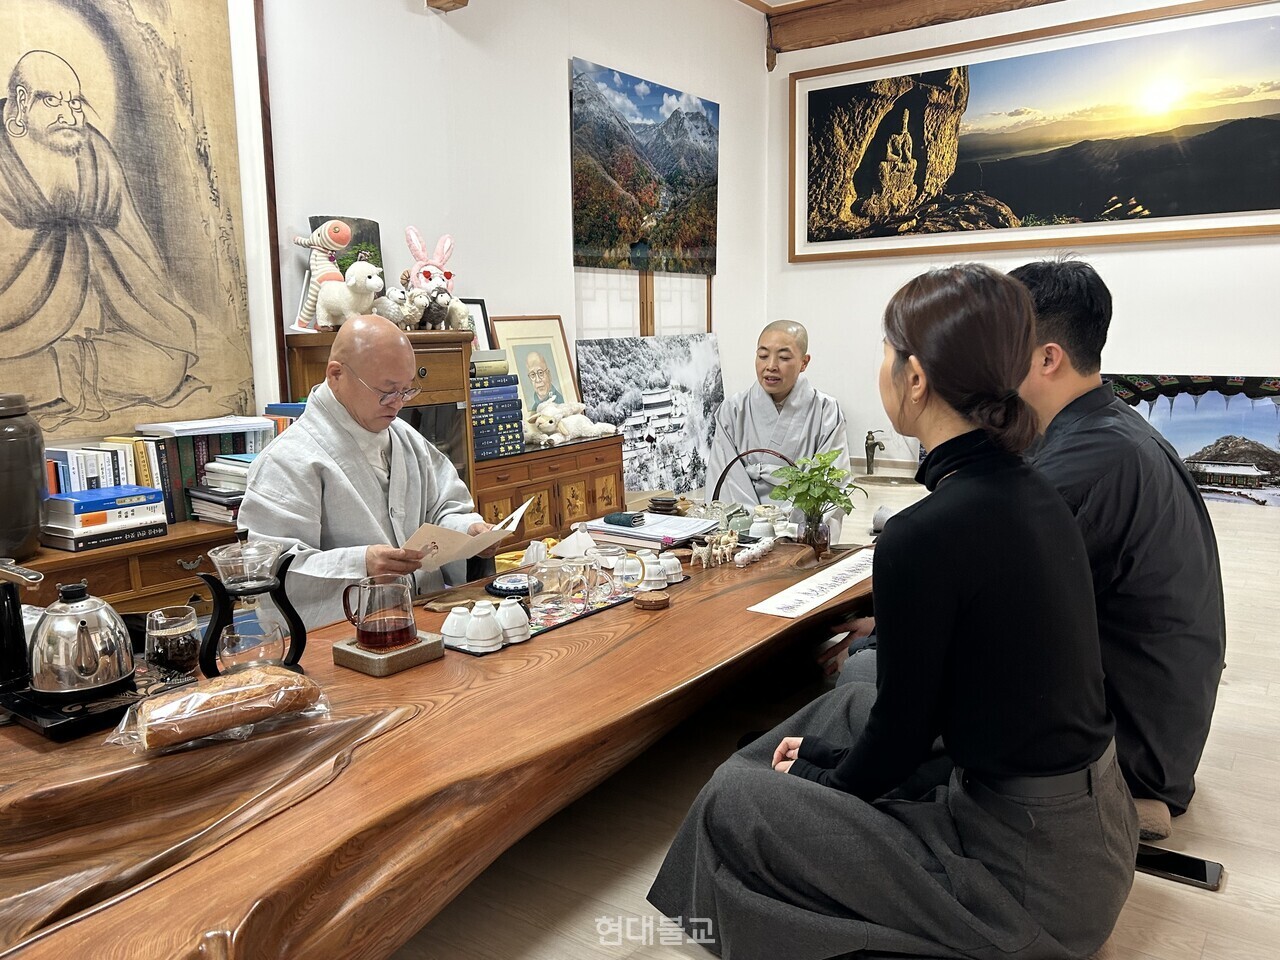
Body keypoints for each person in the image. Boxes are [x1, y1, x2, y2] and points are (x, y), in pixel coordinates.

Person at [650, 264, 1136, 960]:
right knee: (849, 700)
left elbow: (906, 735)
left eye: (885, 349)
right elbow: (938, 707)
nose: (880, 366)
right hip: (1095, 832)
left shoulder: (925, 533)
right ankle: (762, 826)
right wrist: (825, 763)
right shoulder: (1033, 491)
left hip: (1026, 872)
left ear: (915, 378)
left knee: (735, 797)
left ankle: (714, 912)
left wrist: (826, 779)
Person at [1012, 258, 1226, 839]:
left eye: (999, 337)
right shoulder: (1108, 427)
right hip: (1162, 724)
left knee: (890, 680)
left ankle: (1115, 804)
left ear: (1046, 357)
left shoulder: (1088, 461)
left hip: (1136, 747)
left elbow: (996, 596)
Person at [239, 316, 494, 628]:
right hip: (340, 640)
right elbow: (273, 569)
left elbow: (444, 505)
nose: (398, 404)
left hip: (424, 618)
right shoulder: (287, 461)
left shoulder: (406, 439)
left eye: (406, 391)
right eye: (386, 391)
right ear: (336, 374)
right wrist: (361, 563)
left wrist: (469, 531)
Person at [0, 50, 199, 426]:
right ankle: (64, 374)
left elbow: (135, 242)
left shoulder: (94, 151)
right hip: (14, 328)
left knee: (165, 366)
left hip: (104, 323)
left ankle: (67, 374)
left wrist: (155, 307)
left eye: (75, 101)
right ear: (22, 102)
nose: (70, 115)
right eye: (52, 100)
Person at [706, 320, 851, 539]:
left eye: (783, 357)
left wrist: (785, 527)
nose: (771, 365)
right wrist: (754, 527)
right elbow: (726, 478)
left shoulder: (825, 411)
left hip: (798, 528)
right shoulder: (733, 410)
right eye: (763, 356)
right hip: (744, 528)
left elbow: (831, 479)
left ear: (804, 362)